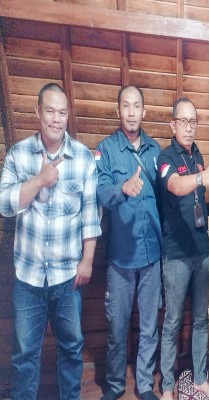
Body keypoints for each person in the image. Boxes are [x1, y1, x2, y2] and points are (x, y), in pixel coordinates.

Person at [0, 83, 101, 400]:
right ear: (38, 112)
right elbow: (4, 205)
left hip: (67, 278)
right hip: (27, 277)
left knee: (71, 349)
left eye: (62, 112)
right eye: (50, 111)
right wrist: (39, 180)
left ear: (68, 115)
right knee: (24, 355)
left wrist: (87, 260)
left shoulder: (83, 158)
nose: (56, 119)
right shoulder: (19, 155)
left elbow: (91, 215)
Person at [95, 85, 162, 400]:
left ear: (144, 111)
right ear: (118, 110)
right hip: (120, 258)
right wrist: (123, 188)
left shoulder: (156, 150)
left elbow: (166, 196)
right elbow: (101, 193)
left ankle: (145, 385)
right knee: (117, 328)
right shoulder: (107, 149)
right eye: (126, 105)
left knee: (149, 327)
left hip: (152, 255)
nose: (132, 112)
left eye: (137, 106)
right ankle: (115, 385)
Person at [157, 98, 209, 400]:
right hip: (176, 255)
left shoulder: (199, 155)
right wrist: (200, 178)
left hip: (201, 251)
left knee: (200, 319)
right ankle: (168, 386)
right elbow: (175, 185)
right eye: (183, 121)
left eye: (193, 121)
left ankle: (199, 378)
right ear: (173, 125)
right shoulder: (165, 157)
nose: (189, 127)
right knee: (171, 322)